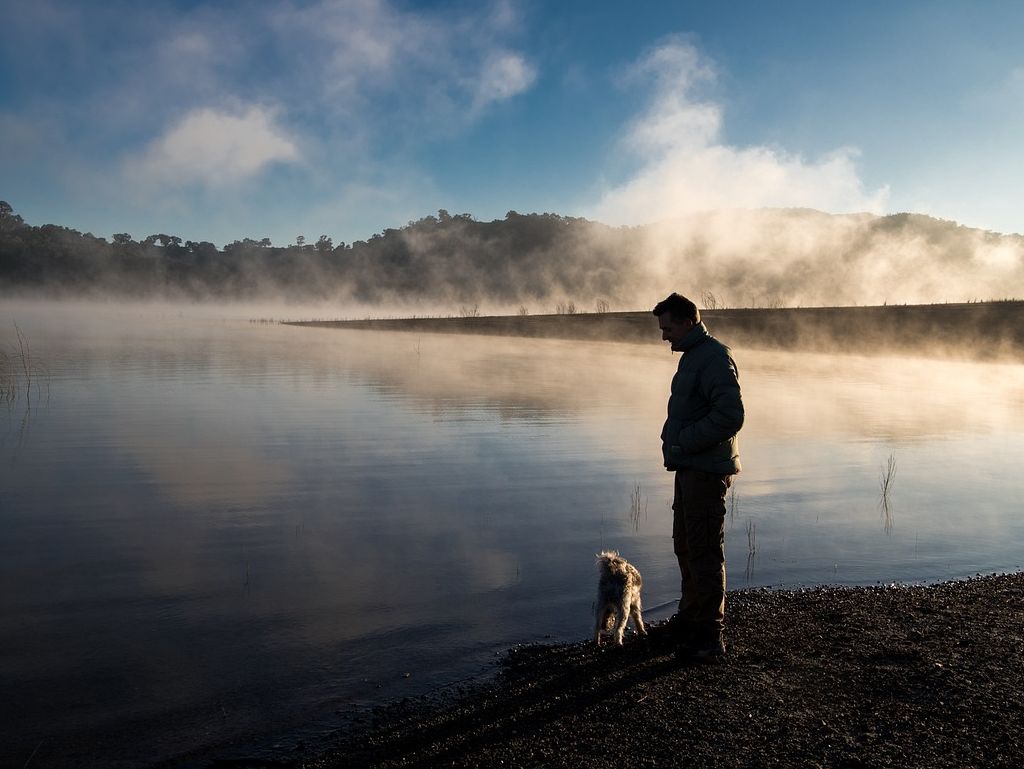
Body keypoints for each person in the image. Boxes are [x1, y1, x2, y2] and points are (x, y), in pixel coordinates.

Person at [653, 293, 744, 661]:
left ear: (689, 322)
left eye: (668, 327)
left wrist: (684, 443)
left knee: (704, 551)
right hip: (691, 468)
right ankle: (690, 619)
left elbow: (731, 416)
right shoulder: (694, 357)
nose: (664, 336)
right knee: (686, 545)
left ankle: (709, 637)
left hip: (705, 472)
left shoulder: (714, 358)